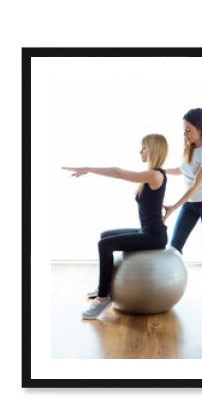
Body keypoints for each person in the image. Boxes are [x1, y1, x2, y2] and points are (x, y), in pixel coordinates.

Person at [62, 133, 168, 319]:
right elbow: (153, 201)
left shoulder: (154, 174)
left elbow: (118, 172)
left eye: (143, 147)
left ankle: (103, 298)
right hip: (148, 231)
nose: (140, 151)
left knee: (105, 245)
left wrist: (87, 168)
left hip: (154, 237)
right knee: (105, 236)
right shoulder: (154, 175)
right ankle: (105, 285)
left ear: (152, 149)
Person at [163, 108, 202, 306]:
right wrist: (160, 171)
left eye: (188, 130)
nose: (185, 134)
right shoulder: (188, 147)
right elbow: (182, 171)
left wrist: (173, 207)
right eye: (184, 130)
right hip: (190, 205)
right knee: (175, 246)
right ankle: (169, 286)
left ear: (201, 129)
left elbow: (196, 186)